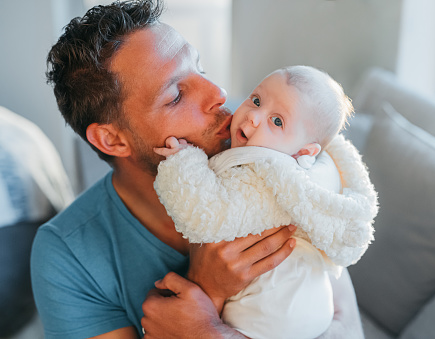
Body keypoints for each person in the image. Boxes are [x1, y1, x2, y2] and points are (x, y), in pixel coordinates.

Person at [31, 0, 366, 338]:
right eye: (176, 95)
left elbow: (349, 329)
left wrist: (209, 332)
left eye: (200, 68)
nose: (218, 94)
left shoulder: (272, 166)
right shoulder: (67, 257)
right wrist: (208, 287)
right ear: (112, 139)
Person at [152, 66, 377, 338]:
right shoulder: (323, 174)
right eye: (256, 100)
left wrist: (183, 161)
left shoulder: (267, 173)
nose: (254, 116)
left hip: (266, 319)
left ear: (305, 151)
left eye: (277, 121)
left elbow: (205, 212)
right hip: (316, 310)